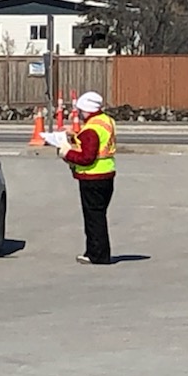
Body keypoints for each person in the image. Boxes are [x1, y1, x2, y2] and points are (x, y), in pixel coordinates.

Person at [57, 91, 117, 265]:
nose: (80, 114)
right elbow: (93, 142)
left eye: (81, 110)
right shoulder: (106, 121)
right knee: (98, 215)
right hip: (107, 175)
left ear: (88, 110)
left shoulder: (91, 129)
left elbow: (86, 157)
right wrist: (75, 135)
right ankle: (96, 252)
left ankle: (97, 254)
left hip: (92, 177)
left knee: (93, 217)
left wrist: (67, 153)